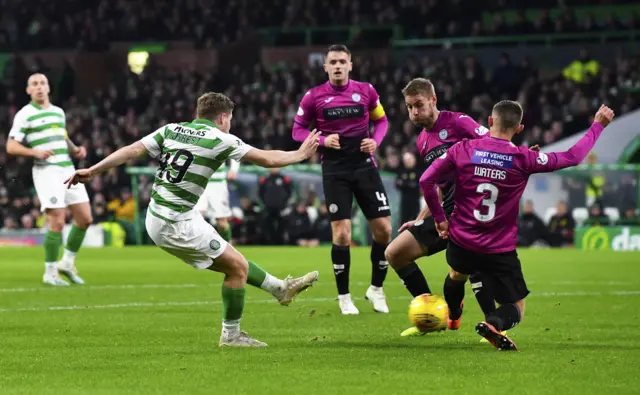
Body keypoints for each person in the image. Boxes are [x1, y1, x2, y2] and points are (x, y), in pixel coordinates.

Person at [65, 92, 322, 348]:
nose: (229, 123)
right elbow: (267, 158)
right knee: (236, 269)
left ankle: (280, 289)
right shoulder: (221, 139)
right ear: (223, 117)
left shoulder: (171, 130)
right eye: (230, 118)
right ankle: (232, 335)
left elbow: (132, 150)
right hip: (174, 222)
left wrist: (93, 169)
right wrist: (299, 155)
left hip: (163, 212)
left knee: (236, 261)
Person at [419, 101, 614, 350]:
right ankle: (494, 323)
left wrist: (439, 219)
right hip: (498, 249)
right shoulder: (523, 158)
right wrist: (598, 125)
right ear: (519, 128)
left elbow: (426, 180)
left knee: (457, 274)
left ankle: (454, 316)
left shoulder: (462, 149)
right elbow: (573, 157)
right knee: (517, 306)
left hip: (462, 241)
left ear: (490, 121)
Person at [384, 78, 500, 337]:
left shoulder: (459, 122)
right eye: (409, 107)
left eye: (419, 105)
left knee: (470, 266)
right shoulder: (423, 141)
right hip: (445, 212)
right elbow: (436, 185)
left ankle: (494, 327)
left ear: (433, 100)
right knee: (395, 253)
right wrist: (420, 218)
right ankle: (431, 315)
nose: (414, 111)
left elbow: (495, 144)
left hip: (473, 208)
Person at [292, 44, 391, 314]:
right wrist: (323, 140)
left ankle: (376, 289)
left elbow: (382, 122)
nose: (337, 66)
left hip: (364, 166)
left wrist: (375, 141)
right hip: (335, 170)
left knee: (383, 230)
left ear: (350, 64)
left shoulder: (366, 91)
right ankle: (344, 296)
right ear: (325, 67)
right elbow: (297, 130)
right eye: (332, 62)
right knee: (343, 233)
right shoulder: (314, 97)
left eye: (342, 61)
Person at [6, 73, 92, 286]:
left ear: (48, 88)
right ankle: (50, 272)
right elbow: (11, 146)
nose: (39, 87)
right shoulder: (24, 115)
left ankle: (67, 263)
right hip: (47, 172)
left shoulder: (58, 112)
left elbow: (61, 135)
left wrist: (75, 149)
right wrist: (35, 152)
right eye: (34, 84)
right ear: (28, 90)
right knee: (58, 221)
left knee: (85, 219)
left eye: (42, 83)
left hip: (67, 169)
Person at [195, 157, 239, 243]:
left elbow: (235, 152)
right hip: (199, 182)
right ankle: (198, 248)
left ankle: (227, 245)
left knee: (221, 223)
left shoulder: (221, 143)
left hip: (217, 184)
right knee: (197, 217)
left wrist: (234, 169)